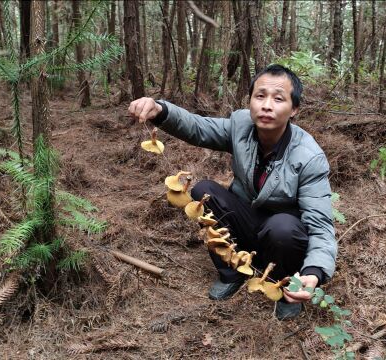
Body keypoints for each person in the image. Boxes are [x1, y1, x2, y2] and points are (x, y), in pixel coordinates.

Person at [128, 64, 336, 320]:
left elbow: (320, 225)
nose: (267, 105)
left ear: (294, 110)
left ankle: (287, 287)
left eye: (278, 98)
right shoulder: (241, 126)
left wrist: (314, 272)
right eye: (260, 96)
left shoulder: (309, 156)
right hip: (247, 219)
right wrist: (160, 110)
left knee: (283, 227)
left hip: (283, 237)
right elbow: (198, 127)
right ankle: (232, 272)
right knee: (204, 191)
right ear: (250, 101)